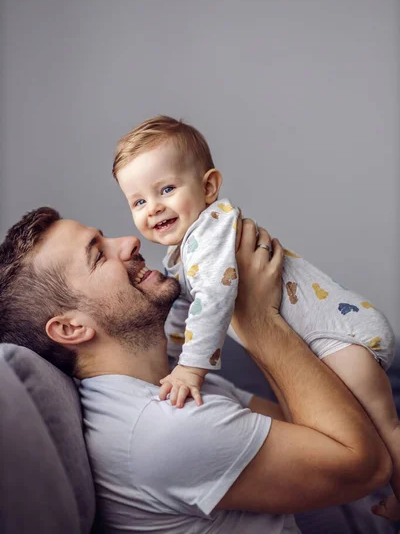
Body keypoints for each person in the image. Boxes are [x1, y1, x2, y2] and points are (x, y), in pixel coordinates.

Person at [0, 207, 394, 533]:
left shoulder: (169, 384)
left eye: (104, 237)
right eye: (98, 255)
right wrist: (256, 319)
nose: (129, 241)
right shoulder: (162, 430)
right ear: (71, 328)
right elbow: (367, 466)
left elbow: (313, 430)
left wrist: (243, 305)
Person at [112, 115, 400, 521]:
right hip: (318, 342)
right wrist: (172, 362)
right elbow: (185, 311)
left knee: (384, 425)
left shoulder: (211, 233)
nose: (153, 207)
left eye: (167, 189)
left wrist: (191, 370)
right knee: (354, 423)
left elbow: (213, 299)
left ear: (209, 186)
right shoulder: (184, 255)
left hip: (341, 333)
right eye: (139, 201)